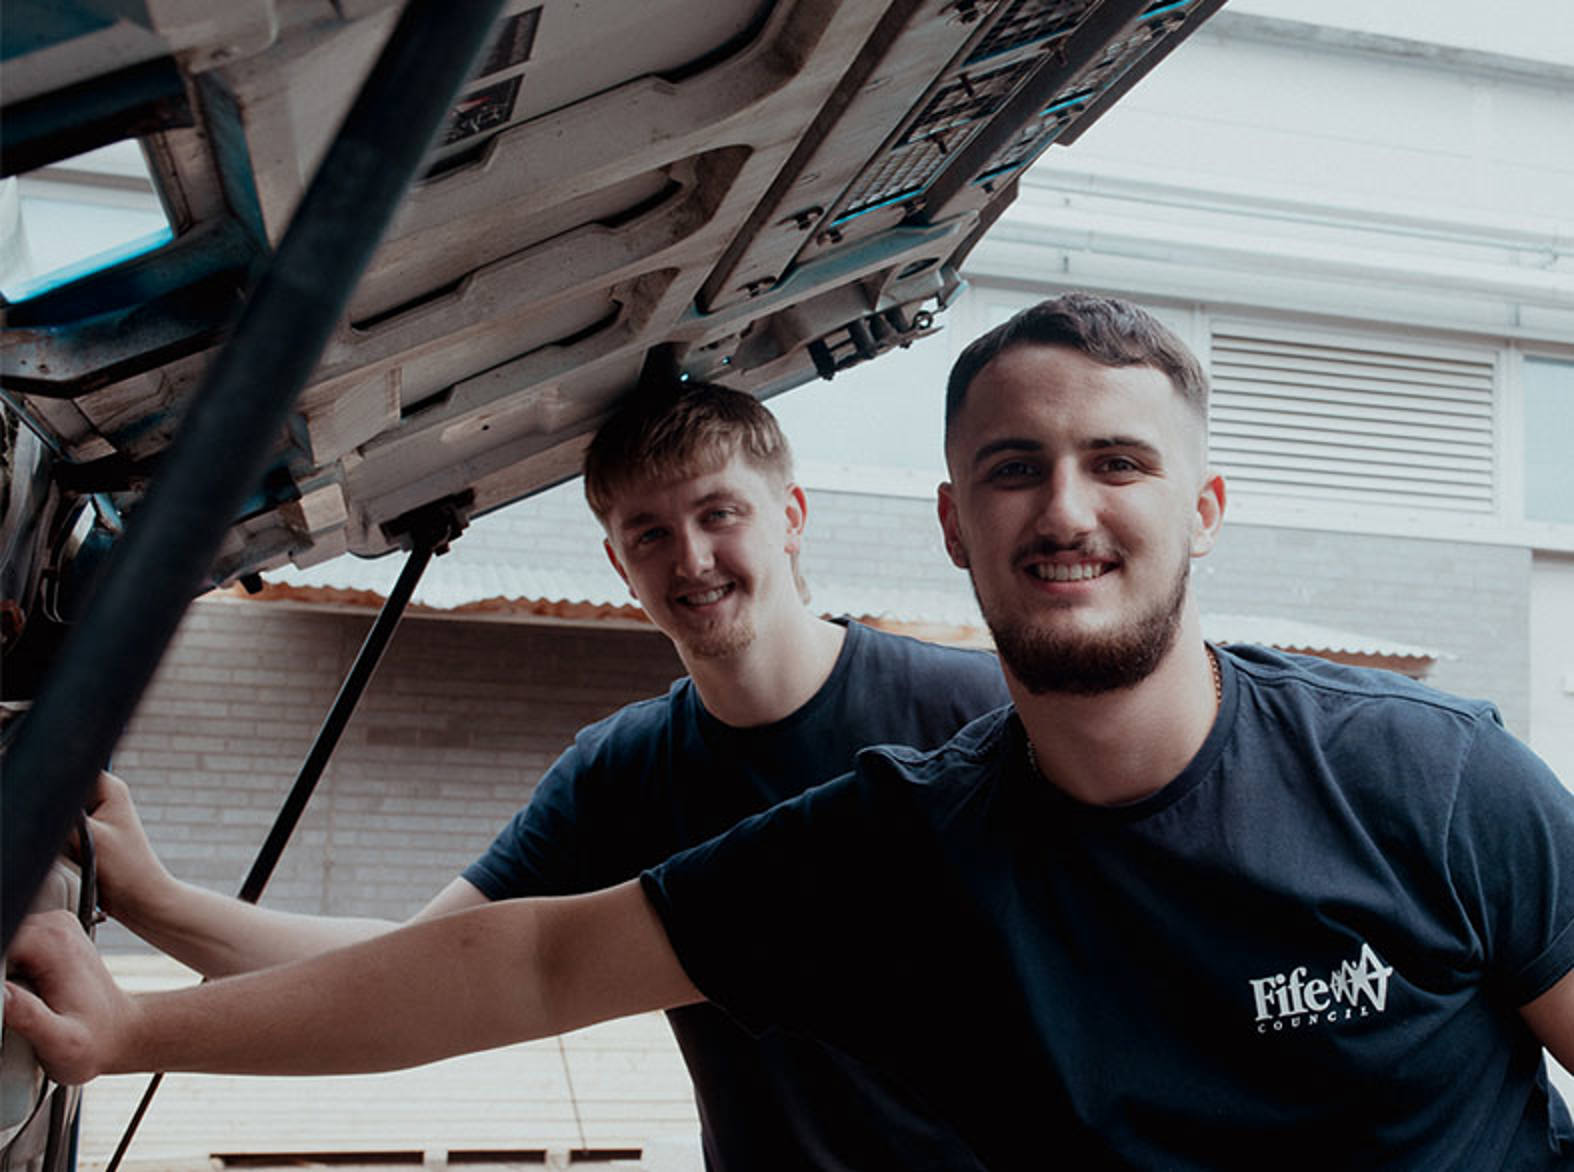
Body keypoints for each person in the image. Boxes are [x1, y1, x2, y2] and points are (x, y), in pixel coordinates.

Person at [10, 294, 1574, 1169]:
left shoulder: (1428, 779)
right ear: (956, 526)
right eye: (1016, 470)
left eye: (1119, 462)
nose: (1069, 508)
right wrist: (137, 1003)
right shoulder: (892, 832)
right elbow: (514, 967)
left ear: (1206, 510)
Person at [49, 383, 1012, 1171]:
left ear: (791, 517)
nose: (694, 558)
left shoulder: (973, 717)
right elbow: (403, 979)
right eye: (650, 534)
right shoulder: (621, 773)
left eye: (721, 514)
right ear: (617, 563)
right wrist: (149, 898)